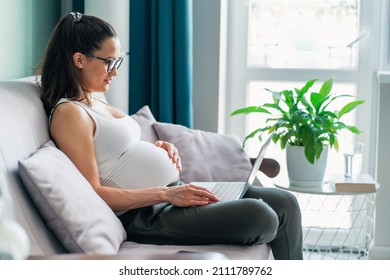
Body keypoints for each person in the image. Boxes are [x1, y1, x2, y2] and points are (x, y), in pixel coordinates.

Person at [37, 12, 303, 260]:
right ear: (79, 60)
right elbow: (94, 191)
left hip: (172, 194)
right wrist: (165, 194)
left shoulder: (94, 99)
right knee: (262, 217)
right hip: (146, 215)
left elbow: (116, 154)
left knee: (285, 202)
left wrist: (157, 147)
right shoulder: (69, 113)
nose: (115, 72)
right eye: (108, 62)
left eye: (117, 61)